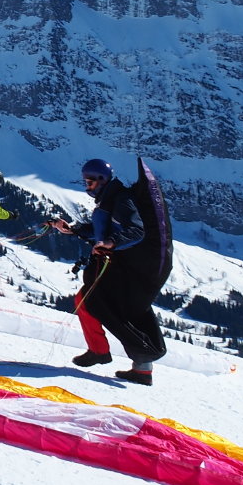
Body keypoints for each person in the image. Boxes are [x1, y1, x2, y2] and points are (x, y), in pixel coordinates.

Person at [49, 158, 167, 385]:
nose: (87, 186)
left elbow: (135, 231)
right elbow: (100, 229)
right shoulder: (111, 198)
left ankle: (103, 352)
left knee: (94, 302)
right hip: (120, 266)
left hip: (123, 267)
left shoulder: (122, 200)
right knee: (110, 306)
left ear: (102, 180)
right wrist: (72, 230)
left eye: (91, 181)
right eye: (86, 181)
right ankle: (138, 367)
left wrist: (112, 243)